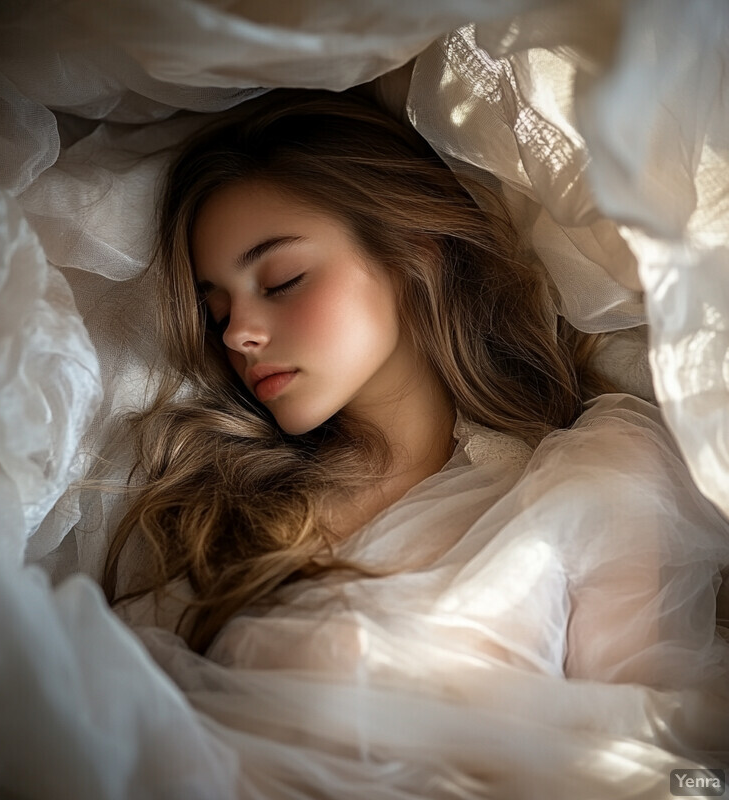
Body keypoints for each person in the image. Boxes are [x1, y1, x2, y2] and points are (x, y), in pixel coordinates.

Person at [103, 91, 728, 694]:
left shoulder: (598, 476)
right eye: (216, 312)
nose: (238, 333)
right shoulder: (224, 517)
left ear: (411, 253)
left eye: (282, 280)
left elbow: (644, 750)